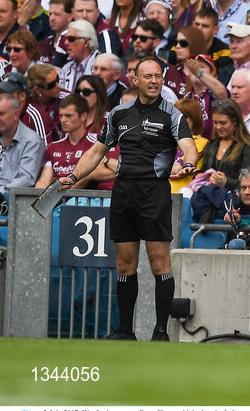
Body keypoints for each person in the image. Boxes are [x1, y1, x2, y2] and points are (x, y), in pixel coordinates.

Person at [61, 56, 199, 341]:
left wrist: (188, 161)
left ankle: (160, 331)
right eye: (148, 76)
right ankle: (125, 329)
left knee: (160, 263)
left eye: (158, 76)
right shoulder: (119, 114)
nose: (154, 81)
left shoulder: (172, 114)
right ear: (135, 80)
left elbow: (188, 145)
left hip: (154, 192)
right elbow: (96, 152)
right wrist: (73, 177)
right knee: (125, 265)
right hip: (123, 192)